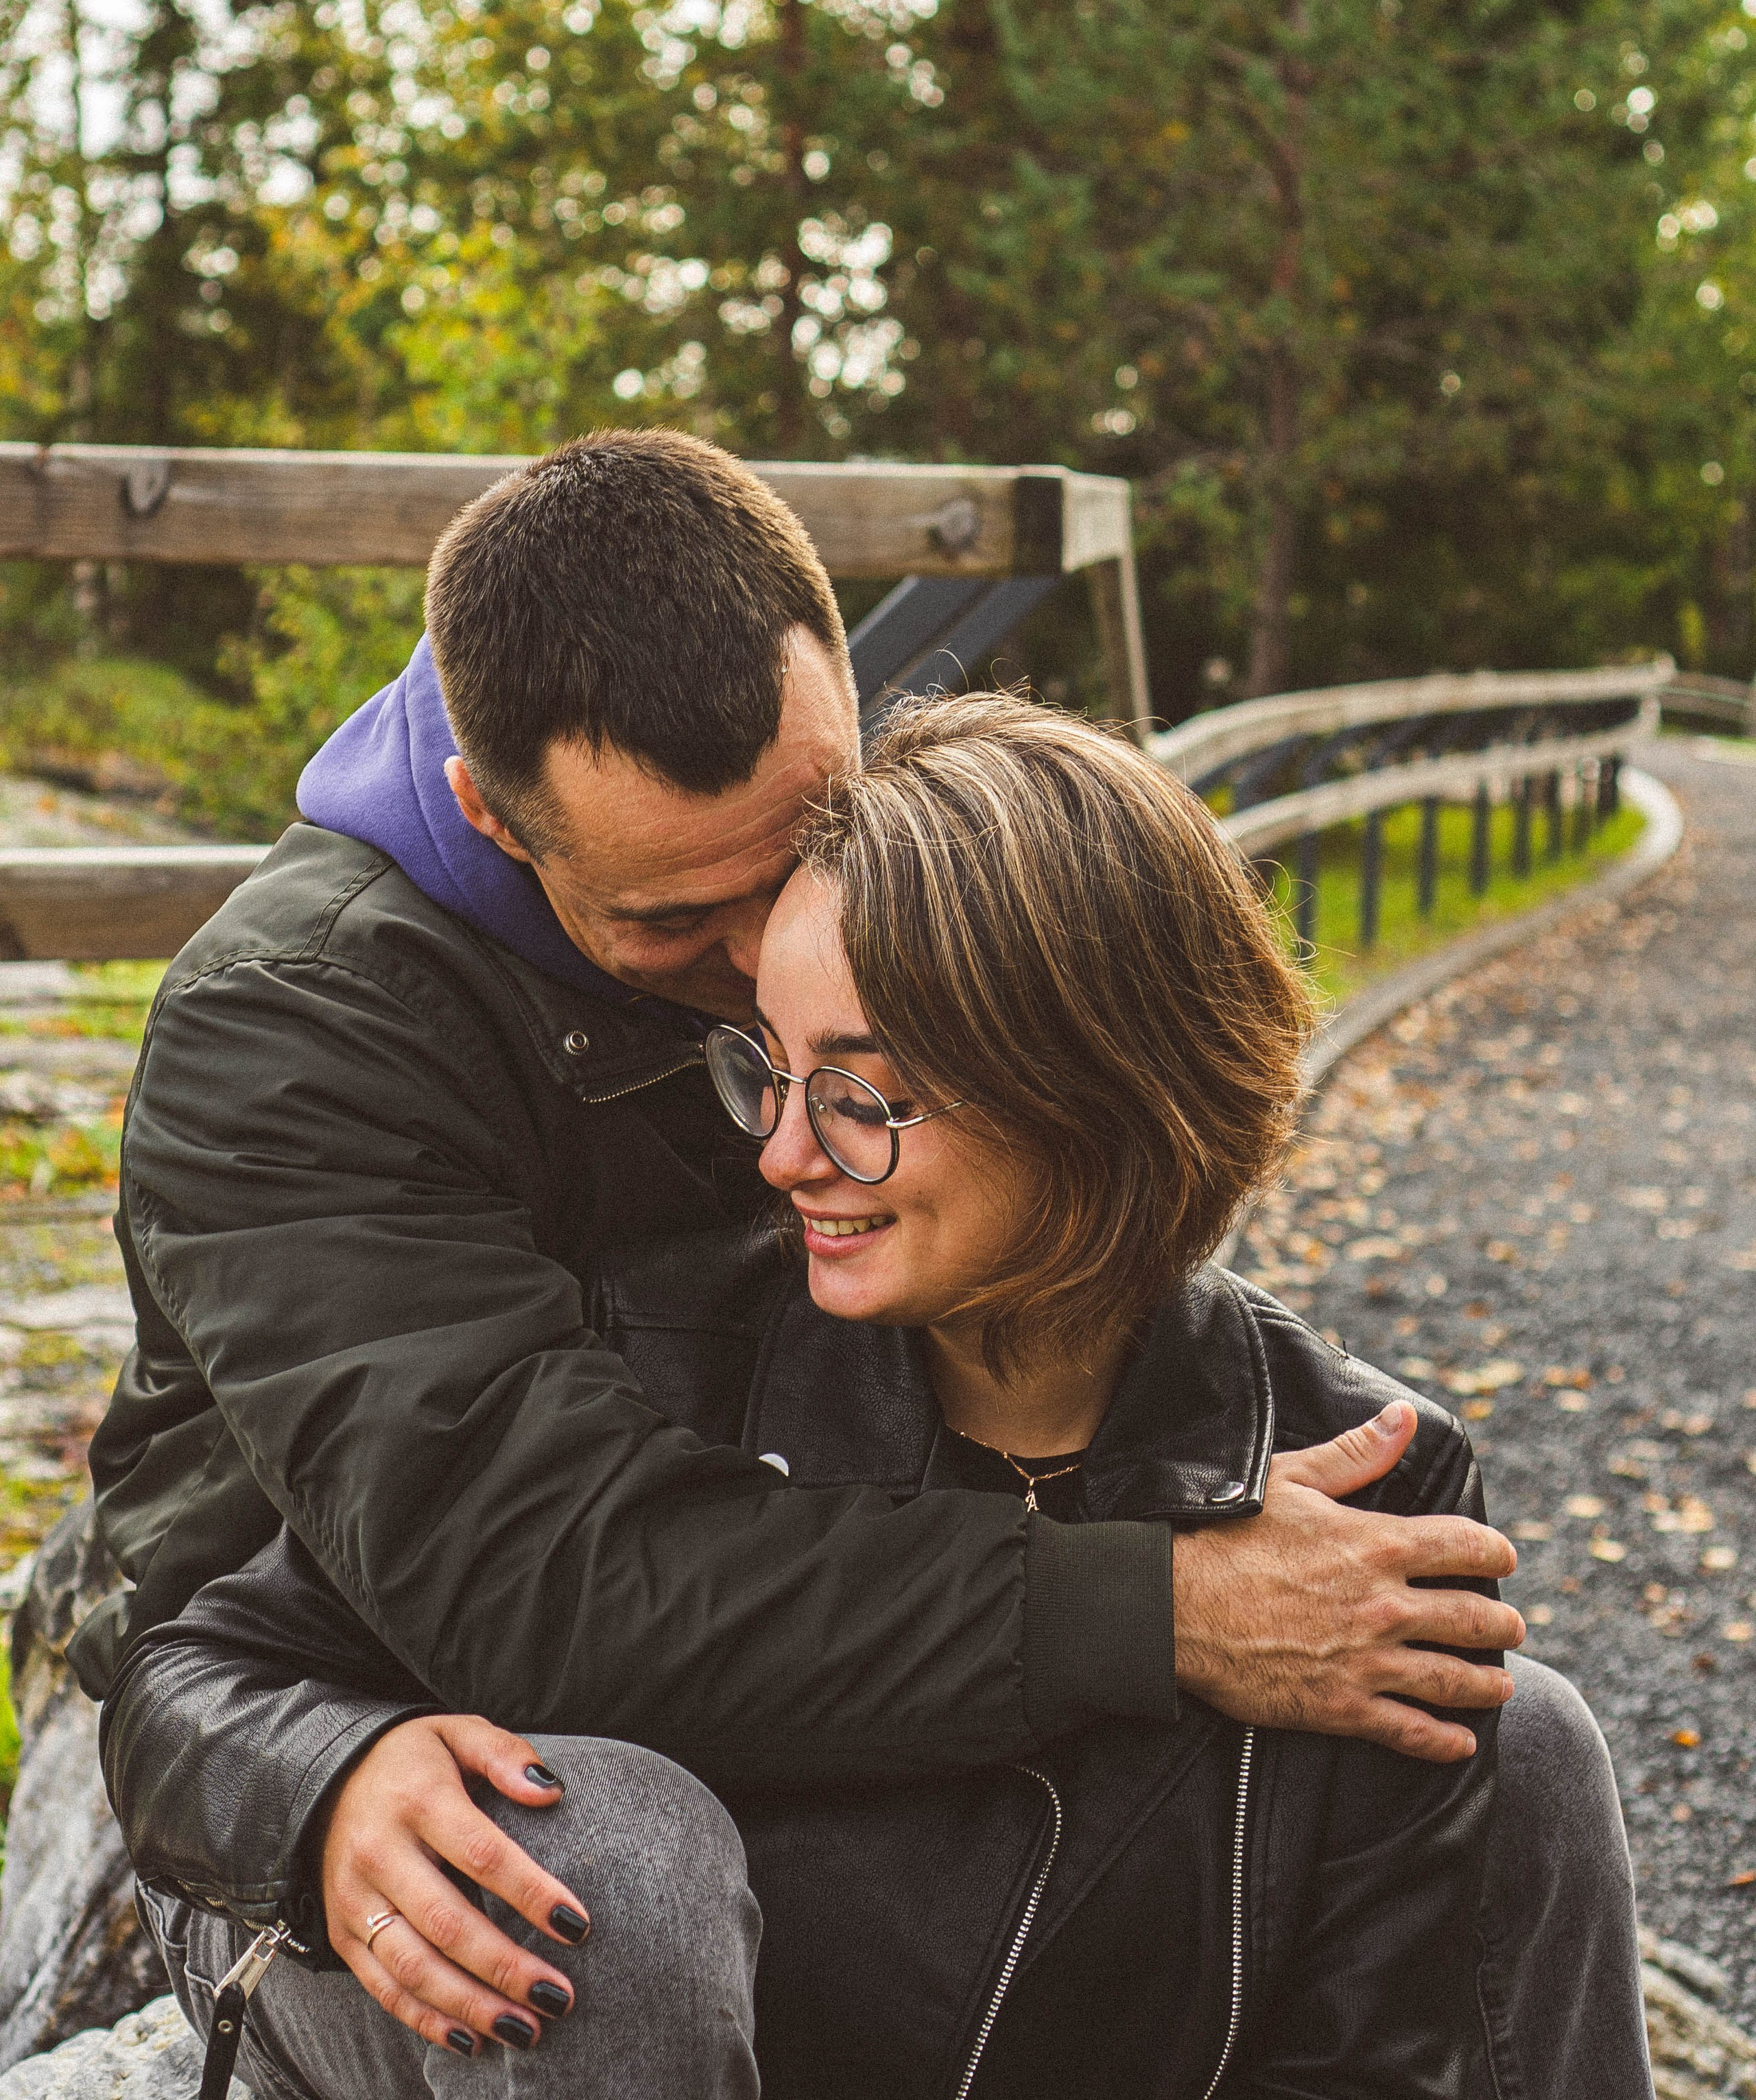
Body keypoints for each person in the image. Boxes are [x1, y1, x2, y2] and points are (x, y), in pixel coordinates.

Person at [67, 433, 1647, 2090]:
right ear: (492, 816)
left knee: (1518, 1738)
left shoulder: (830, 977)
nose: (773, 952)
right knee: (604, 1872)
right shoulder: (298, 1026)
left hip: (818, 1566)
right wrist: (1161, 1605)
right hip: (336, 1727)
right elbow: (535, 1590)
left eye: (806, 850)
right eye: (679, 923)